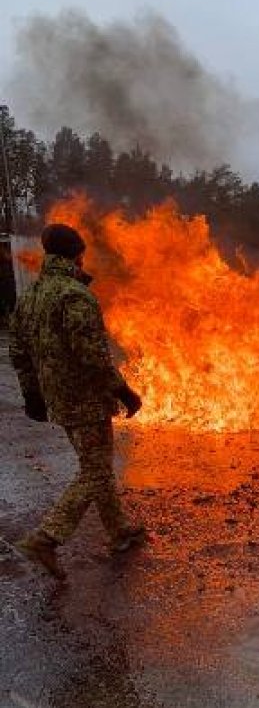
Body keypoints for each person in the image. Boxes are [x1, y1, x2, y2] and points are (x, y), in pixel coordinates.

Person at [9, 223, 146, 580]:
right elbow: (93, 357)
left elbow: (19, 352)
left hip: (58, 399)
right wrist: (123, 391)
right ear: (77, 253)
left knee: (94, 463)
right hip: (86, 400)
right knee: (95, 470)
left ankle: (119, 531)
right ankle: (46, 538)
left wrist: (32, 395)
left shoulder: (31, 297)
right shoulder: (75, 296)